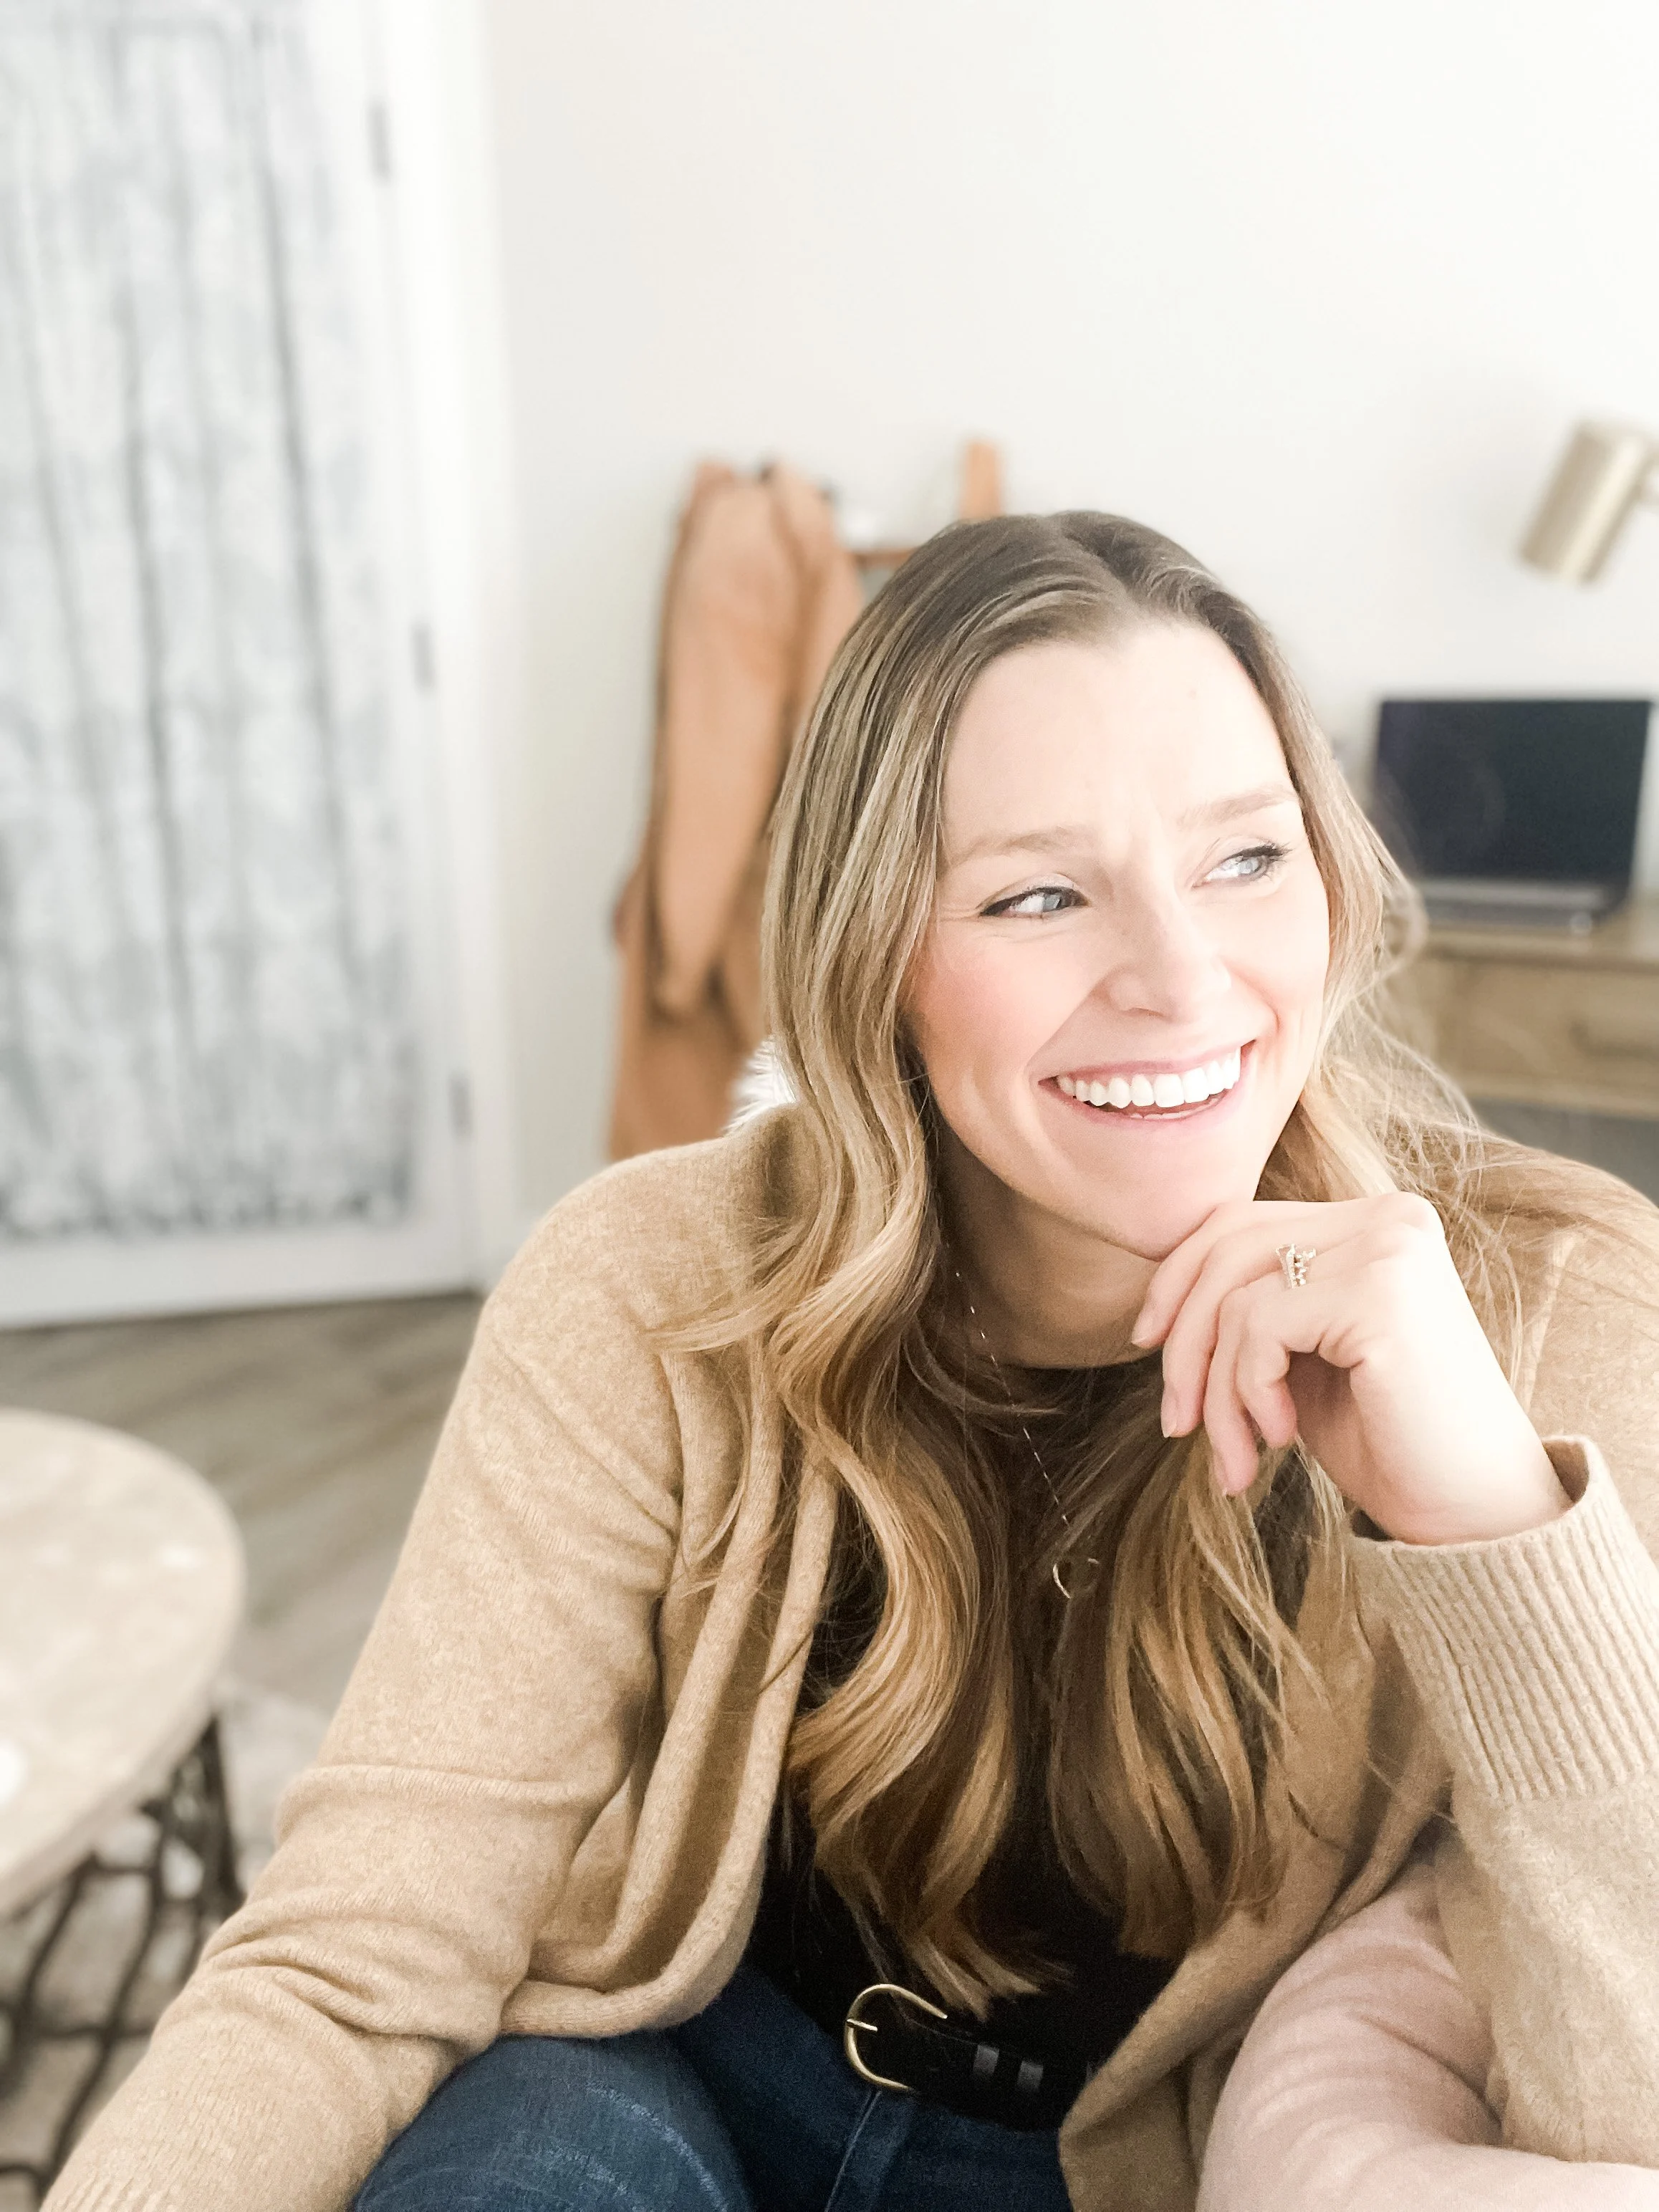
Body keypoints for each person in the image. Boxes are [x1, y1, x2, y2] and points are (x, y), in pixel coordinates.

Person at [47, 515, 1659, 2212]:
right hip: (671, 2083)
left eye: (1245, 858)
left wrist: (1493, 1529)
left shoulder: (1560, 1301)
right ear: (874, 955)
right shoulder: (646, 1280)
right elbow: (356, 1947)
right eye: (1039, 892)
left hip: (1136, 2163)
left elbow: (1627, 2102)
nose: (1184, 980)